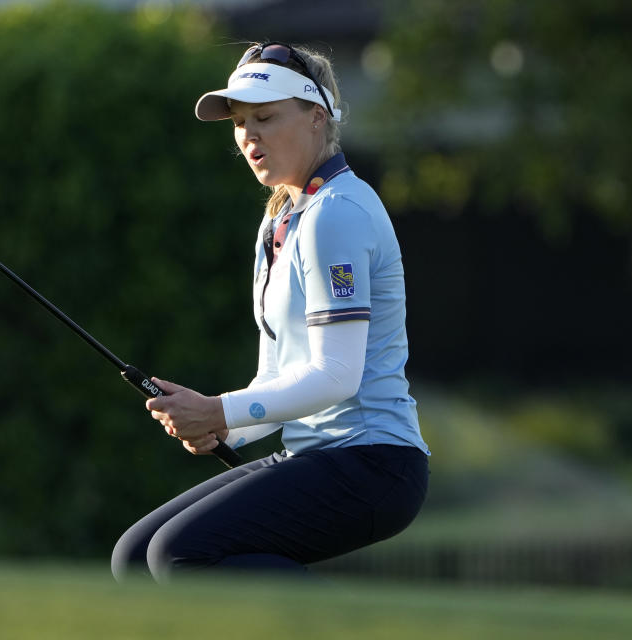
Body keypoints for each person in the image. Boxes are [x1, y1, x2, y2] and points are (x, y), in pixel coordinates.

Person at [111, 42, 429, 582]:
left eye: (264, 117)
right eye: (239, 122)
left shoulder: (337, 214)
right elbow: (277, 378)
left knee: (179, 555)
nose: (248, 136)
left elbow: (337, 374)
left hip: (374, 462)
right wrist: (224, 431)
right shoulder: (281, 220)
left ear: (316, 118)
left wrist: (220, 410)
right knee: (135, 559)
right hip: (321, 455)